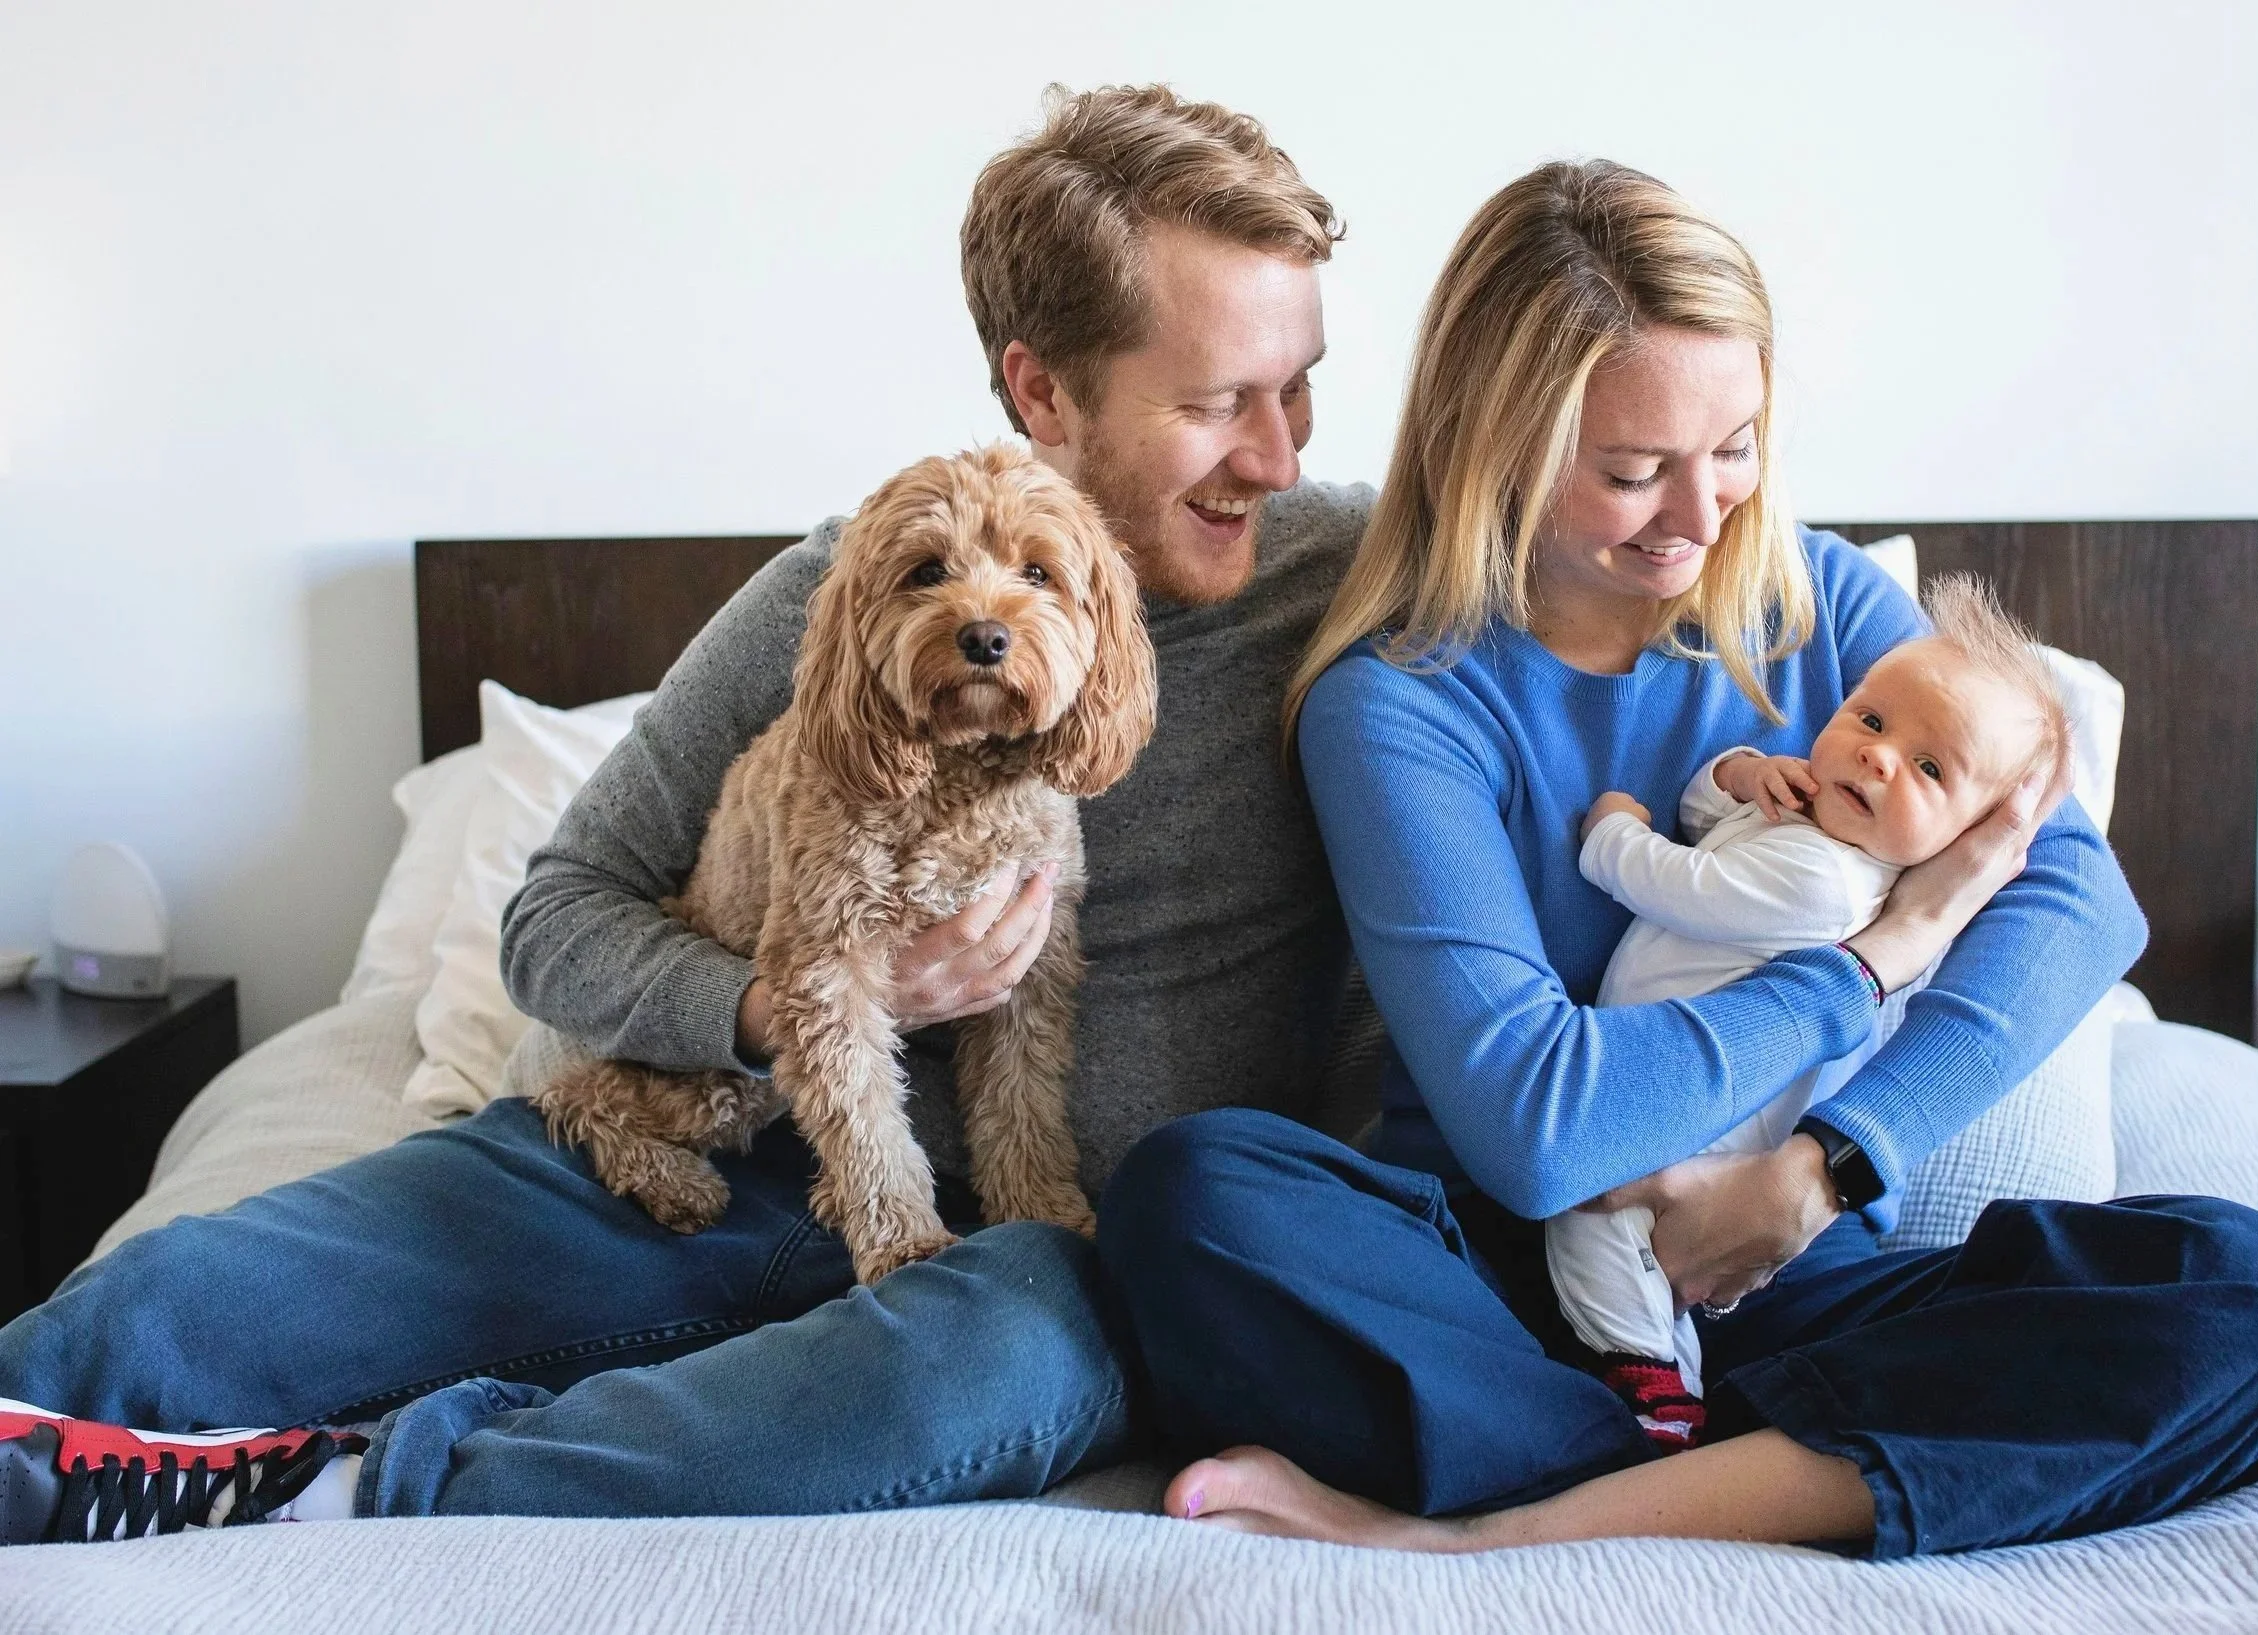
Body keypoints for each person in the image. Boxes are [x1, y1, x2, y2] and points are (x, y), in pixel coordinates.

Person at [0, 82, 1369, 1542]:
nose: (1277, 456)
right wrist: (793, 1008)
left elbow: (1625, 555)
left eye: (1300, 387)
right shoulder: (838, 598)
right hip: (709, 1150)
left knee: (992, 1370)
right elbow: (553, 918)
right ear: (1041, 393)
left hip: (1016, 1259)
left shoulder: (1350, 578)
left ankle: (352, 1486)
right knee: (143, 1314)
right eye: (1220, 402)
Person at [1094, 159, 2258, 1557]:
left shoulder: (1810, 602)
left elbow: (2070, 894)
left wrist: (1822, 1168)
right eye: (1632, 472)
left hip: (1778, 1266)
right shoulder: (1401, 701)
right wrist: (1878, 957)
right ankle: (1737, 1459)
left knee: (2251, 1295)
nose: (1699, 517)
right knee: (1190, 1196)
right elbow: (1534, 1123)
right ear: (1496, 443)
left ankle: (1512, 1509)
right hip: (1500, 1278)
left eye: (1734, 445)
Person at [1546, 573, 2074, 1447]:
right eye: (1869, 719)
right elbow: (1706, 816)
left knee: (1598, 1221)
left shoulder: (1826, 880)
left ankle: (1651, 1390)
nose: (1876, 755)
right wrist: (1744, 773)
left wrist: (1610, 831)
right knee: (1613, 1238)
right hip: (1669, 1081)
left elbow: (1685, 879)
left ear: (1966, 843)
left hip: (1697, 1117)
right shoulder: (1814, 825)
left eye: (1930, 769)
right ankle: (1662, 1376)